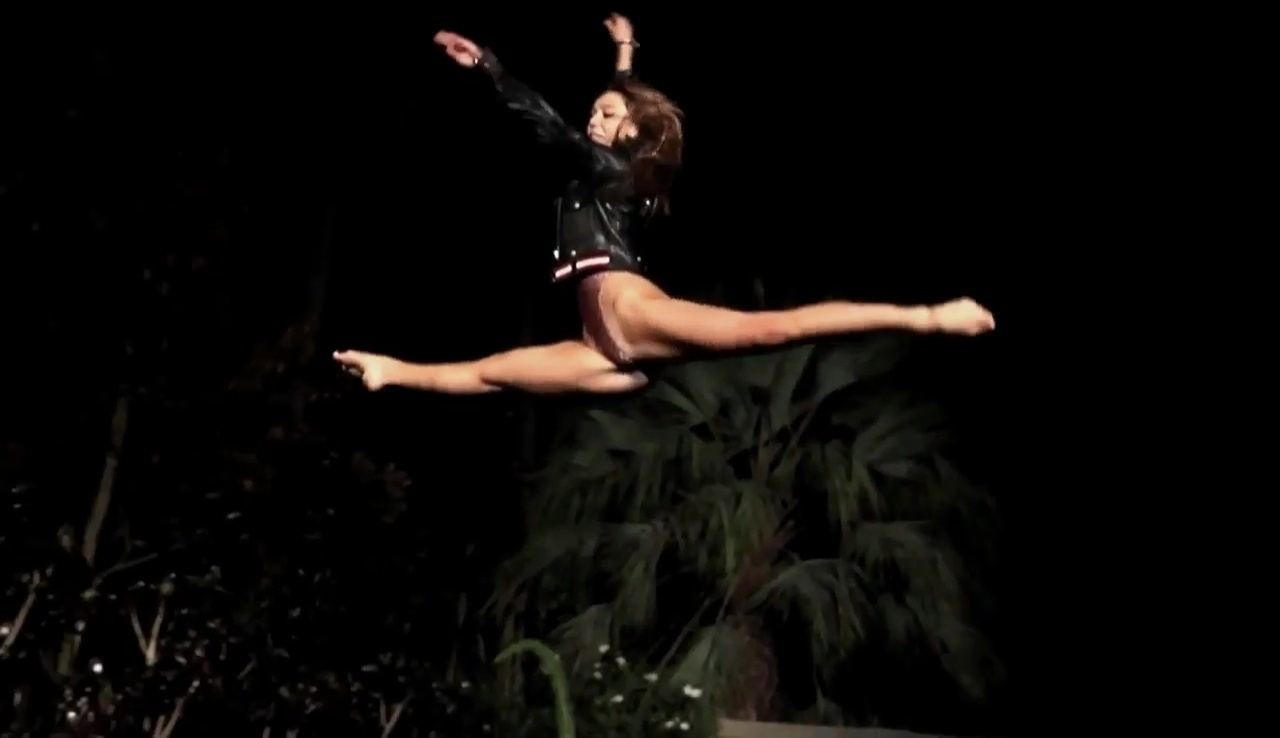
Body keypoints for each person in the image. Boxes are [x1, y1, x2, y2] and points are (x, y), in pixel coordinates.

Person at [334, 14, 995, 396]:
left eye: (606, 115)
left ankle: (928, 317)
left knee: (772, 330)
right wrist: (624, 53)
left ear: (630, 132)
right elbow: (616, 107)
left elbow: (547, 125)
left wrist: (489, 68)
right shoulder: (608, 159)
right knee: (492, 374)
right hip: (598, 343)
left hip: (628, 308)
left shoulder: (613, 168)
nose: (594, 119)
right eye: (595, 111)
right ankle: (393, 370)